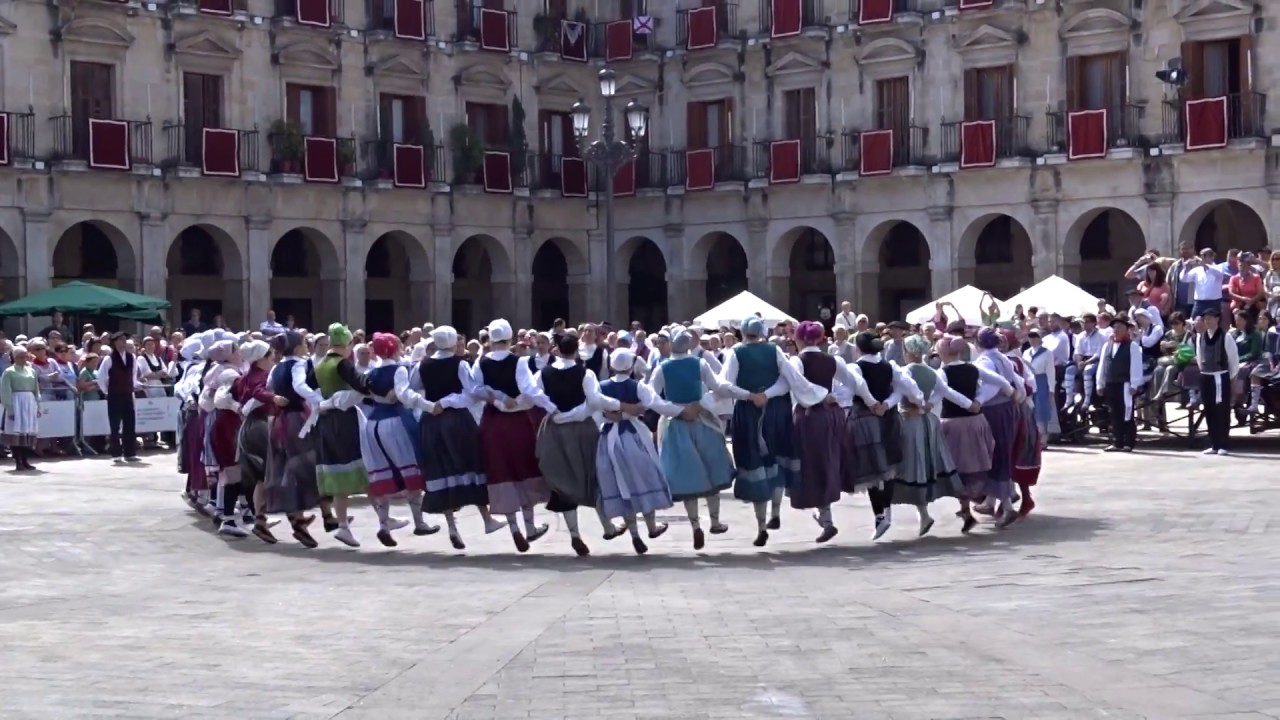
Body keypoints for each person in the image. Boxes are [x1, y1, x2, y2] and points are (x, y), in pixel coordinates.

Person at [531, 334, 628, 556]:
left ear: (557, 349)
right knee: (594, 476)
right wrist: (618, 405)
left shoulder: (543, 373)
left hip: (554, 431)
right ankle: (608, 527)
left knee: (562, 482)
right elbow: (595, 400)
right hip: (582, 429)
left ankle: (575, 535)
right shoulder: (585, 373)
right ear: (576, 351)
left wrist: (551, 408)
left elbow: (533, 395)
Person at [720, 316, 812, 547]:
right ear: (762, 332)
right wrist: (768, 394)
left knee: (754, 462)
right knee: (777, 458)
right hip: (776, 410)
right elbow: (790, 380)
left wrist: (751, 395)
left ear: (742, 332)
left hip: (748, 411)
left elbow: (725, 384)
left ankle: (761, 525)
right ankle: (776, 512)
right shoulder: (774, 350)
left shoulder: (736, 353)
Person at [646, 327, 739, 549]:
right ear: (688, 344)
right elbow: (717, 386)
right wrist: (703, 402)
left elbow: (650, 396)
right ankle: (715, 522)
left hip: (675, 423)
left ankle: (696, 525)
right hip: (702, 420)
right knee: (712, 469)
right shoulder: (700, 363)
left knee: (687, 475)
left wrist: (676, 409)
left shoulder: (662, 367)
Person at [416, 325, 506, 550]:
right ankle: (487, 519)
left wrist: (429, 405)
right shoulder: (460, 364)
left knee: (442, 468)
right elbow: (471, 394)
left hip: (431, 422)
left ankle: (452, 527)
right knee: (470, 464)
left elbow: (410, 390)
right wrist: (449, 401)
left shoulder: (422, 365)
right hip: (456, 420)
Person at [472, 319, 552, 553]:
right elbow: (529, 389)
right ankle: (530, 526)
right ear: (509, 339)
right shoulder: (519, 362)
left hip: (492, 422)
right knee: (523, 470)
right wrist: (549, 405)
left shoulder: (480, 362)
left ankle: (514, 528)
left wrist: (496, 398)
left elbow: (475, 390)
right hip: (517, 422)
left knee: (502, 473)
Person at [787, 321, 869, 543]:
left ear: (799, 339)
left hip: (809, 417)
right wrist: (870, 401)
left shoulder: (797, 361)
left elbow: (798, 385)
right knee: (828, 461)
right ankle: (824, 514)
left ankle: (825, 517)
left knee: (813, 464)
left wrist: (822, 395)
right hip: (833, 416)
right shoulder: (833, 360)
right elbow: (856, 383)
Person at [595, 348, 677, 555]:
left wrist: (613, 414)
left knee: (621, 483)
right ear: (630, 366)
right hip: (633, 435)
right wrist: (678, 410)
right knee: (643, 479)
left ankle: (634, 534)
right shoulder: (637, 386)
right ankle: (651, 526)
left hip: (609, 439)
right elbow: (654, 403)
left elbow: (597, 411)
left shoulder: (601, 386)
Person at [360, 332, 437, 546]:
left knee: (381, 472)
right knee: (409, 469)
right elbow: (404, 394)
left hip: (372, 424)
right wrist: (428, 406)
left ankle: (384, 525)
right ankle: (419, 523)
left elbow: (361, 395)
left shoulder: (370, 372)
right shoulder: (399, 369)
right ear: (394, 349)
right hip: (395, 421)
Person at [311, 323, 374, 547]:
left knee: (339, 476)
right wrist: (378, 380)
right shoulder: (342, 363)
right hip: (345, 421)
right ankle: (383, 520)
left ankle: (344, 526)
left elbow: (310, 388)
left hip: (327, 421)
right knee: (365, 469)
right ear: (346, 344)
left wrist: (323, 403)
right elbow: (361, 384)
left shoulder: (320, 364)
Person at [231, 340, 278, 543]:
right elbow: (259, 392)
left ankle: (260, 519)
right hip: (260, 426)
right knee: (268, 473)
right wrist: (274, 398)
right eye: (270, 356)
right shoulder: (261, 376)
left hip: (250, 426)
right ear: (261, 359)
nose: (273, 359)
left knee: (261, 476)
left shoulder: (245, 376)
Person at [1195, 308, 1239, 455]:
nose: (1207, 321)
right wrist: (1205, 371)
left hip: (1221, 376)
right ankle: (1214, 443)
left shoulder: (1226, 337)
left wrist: (1231, 378)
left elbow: (1233, 360)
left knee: (1222, 410)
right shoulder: (1200, 337)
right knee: (1209, 409)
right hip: (1206, 376)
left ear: (1217, 319)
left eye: (1210, 318)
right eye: (1205, 318)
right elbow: (1200, 357)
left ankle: (1223, 444)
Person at [1097, 316, 1143, 453]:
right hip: (1111, 382)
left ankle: (1129, 442)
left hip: (1125, 384)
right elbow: (1102, 365)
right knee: (1114, 413)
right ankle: (1117, 442)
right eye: (1115, 327)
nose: (1116, 330)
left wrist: (1134, 384)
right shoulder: (1107, 345)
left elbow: (1136, 366)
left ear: (1126, 329)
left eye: (1120, 327)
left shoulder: (1132, 346)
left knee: (1127, 413)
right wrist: (1100, 383)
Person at [95, 331, 141, 463]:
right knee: (114, 425)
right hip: (114, 395)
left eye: (124, 340)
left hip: (128, 394)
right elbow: (101, 377)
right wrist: (107, 391)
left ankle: (130, 452)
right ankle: (116, 453)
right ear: (114, 343)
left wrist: (134, 386)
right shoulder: (109, 359)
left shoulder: (131, 357)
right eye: (120, 340)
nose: (123, 343)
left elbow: (133, 375)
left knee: (129, 423)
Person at [1, 346, 40, 471]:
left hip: (29, 402)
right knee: (16, 432)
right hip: (17, 402)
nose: (24, 359)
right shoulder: (9, 372)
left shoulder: (31, 371)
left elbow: (36, 389)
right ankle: (18, 461)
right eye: (21, 357)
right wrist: (9, 408)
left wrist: (38, 406)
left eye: (25, 356)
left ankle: (25, 460)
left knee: (27, 432)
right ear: (15, 358)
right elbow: (5, 391)